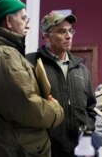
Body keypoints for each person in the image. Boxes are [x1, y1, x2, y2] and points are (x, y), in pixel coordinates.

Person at [0, 0, 64, 157]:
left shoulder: (1, 53)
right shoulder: (2, 56)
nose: (28, 24)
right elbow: (26, 107)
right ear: (9, 21)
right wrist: (56, 111)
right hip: (13, 150)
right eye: (24, 18)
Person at [26, 11, 96, 156]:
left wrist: (86, 136)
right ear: (46, 36)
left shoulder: (81, 69)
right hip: (46, 150)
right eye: (62, 31)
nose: (69, 36)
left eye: (71, 31)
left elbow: (90, 109)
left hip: (79, 150)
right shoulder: (30, 63)